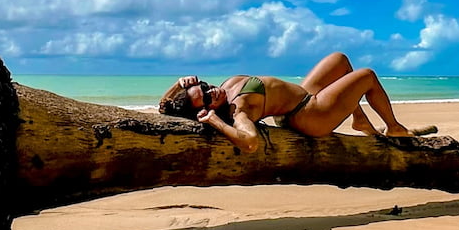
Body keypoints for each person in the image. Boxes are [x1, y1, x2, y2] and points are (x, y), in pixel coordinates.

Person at [158, 52, 427, 154]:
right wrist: (215, 121)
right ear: (205, 109)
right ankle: (393, 127)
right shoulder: (238, 110)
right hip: (310, 114)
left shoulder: (223, 90)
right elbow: (250, 143)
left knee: (341, 60)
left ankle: (359, 119)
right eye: (204, 98)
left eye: (203, 86)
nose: (209, 90)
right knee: (367, 75)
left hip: (303, 95)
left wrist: (178, 86)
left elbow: (163, 107)